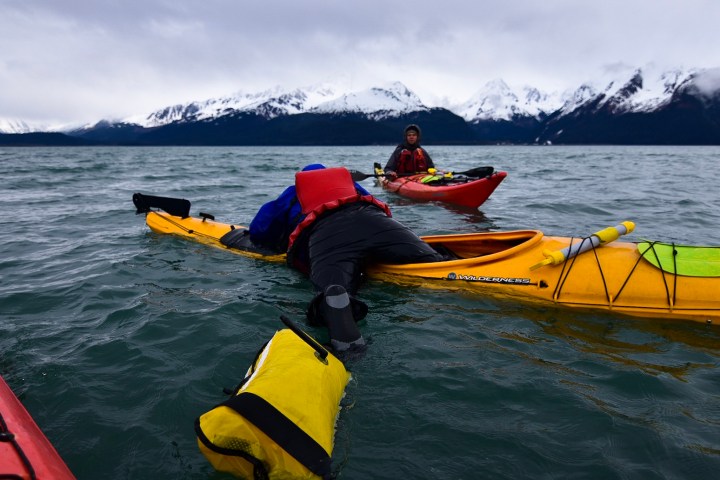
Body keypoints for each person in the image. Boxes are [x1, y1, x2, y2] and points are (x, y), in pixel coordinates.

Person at [246, 164, 445, 351]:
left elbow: (260, 228)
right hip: (374, 220)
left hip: (328, 234)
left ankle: (349, 346)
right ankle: (438, 260)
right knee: (433, 260)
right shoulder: (349, 185)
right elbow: (377, 205)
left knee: (332, 291)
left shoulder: (293, 192)